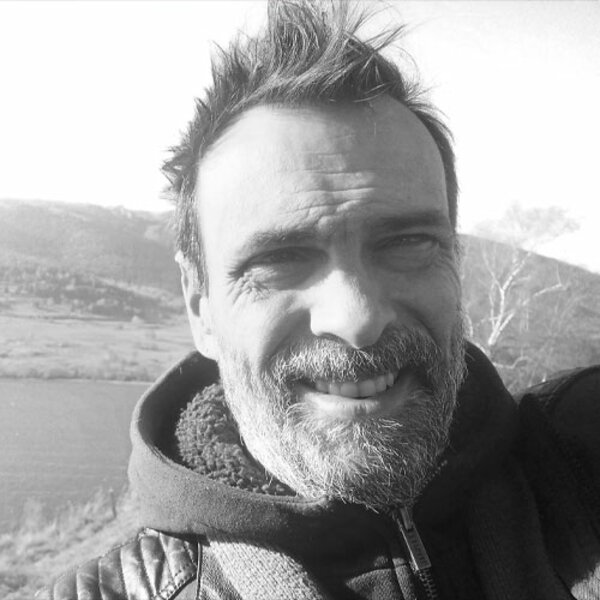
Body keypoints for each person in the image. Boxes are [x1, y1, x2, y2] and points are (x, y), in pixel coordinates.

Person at [40, 1, 600, 599]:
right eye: (280, 259)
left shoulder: (578, 463)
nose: (357, 319)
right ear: (200, 306)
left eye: (408, 243)